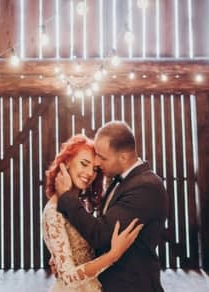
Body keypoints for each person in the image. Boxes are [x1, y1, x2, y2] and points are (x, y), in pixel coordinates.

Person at [55, 121, 168, 292]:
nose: (97, 163)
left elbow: (101, 234)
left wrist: (66, 197)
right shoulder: (120, 180)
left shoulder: (146, 187)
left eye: (102, 157)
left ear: (123, 157)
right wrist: (66, 257)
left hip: (132, 286)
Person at [43, 134, 144, 292]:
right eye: (84, 164)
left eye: (95, 169)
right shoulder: (52, 212)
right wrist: (112, 256)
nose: (90, 173)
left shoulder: (83, 205)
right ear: (66, 163)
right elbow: (68, 278)